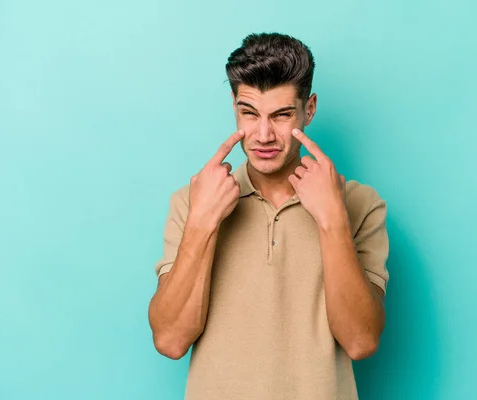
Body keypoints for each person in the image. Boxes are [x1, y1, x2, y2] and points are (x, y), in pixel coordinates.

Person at [148, 32, 389, 400]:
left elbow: (360, 341)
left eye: (281, 115)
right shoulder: (192, 201)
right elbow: (170, 340)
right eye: (249, 114)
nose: (263, 135)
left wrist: (332, 220)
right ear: (234, 107)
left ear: (309, 109)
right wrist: (202, 222)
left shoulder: (359, 203)